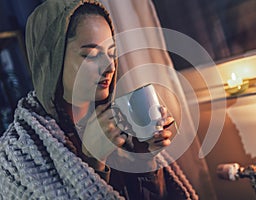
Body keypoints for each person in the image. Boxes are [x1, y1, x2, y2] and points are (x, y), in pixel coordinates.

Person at [0, 0, 198, 199]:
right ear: (50, 60)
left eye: (112, 54)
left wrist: (145, 158)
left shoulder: (122, 125)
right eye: (91, 55)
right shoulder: (17, 155)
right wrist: (93, 161)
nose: (110, 66)